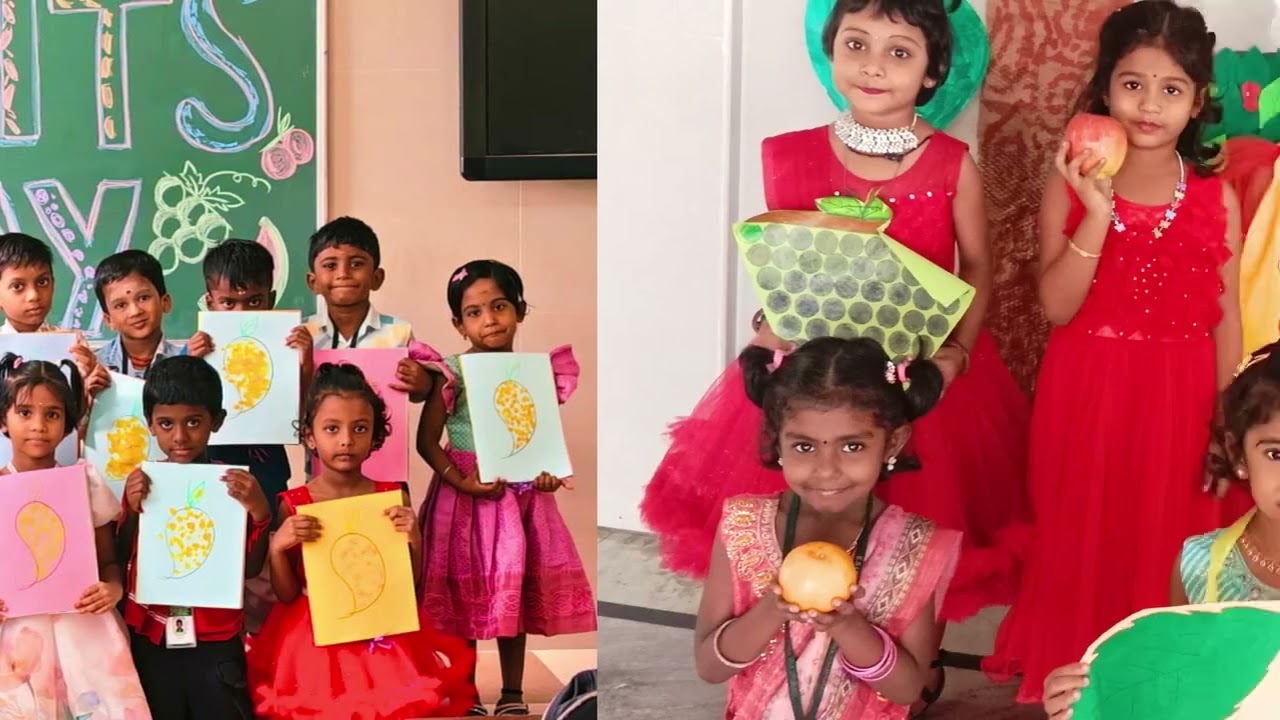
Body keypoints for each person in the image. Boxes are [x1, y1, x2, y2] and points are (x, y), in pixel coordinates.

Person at [644, 0, 1030, 708]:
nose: (874, 65)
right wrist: (771, 321)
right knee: (814, 493)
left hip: (915, 382)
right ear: (831, 53)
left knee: (914, 527)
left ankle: (913, 661)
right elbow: (786, 262)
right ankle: (788, 640)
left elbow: (977, 264)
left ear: (933, 71)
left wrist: (957, 358)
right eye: (857, 43)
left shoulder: (950, 164)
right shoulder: (787, 154)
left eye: (899, 51)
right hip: (816, 380)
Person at [983, 1, 1253, 702]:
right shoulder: (1068, 184)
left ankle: (1161, 692)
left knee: (1168, 545)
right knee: (1085, 543)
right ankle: (1083, 696)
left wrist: (1228, 428)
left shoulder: (1215, 196)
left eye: (1172, 89)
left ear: (1198, 103)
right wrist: (1097, 213)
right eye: (1133, 84)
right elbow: (1057, 307)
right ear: (1105, 88)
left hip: (1183, 400)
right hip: (1088, 395)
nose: (1150, 105)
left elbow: (1227, 321)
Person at [694, 337, 960, 719]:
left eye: (852, 447)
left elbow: (907, 688)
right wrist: (773, 608)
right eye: (804, 447)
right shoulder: (742, 525)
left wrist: (849, 627)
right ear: (776, 441)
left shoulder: (914, 544)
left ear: (892, 443)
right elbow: (710, 666)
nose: (826, 470)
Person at [1042, 341, 1280, 719]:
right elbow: (1176, 693)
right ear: (1237, 454)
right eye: (1276, 454)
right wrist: (1090, 699)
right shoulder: (1198, 566)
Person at [413, 260, 596, 716]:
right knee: (465, 594)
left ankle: (512, 693)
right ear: (458, 323)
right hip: (463, 500)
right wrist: (461, 482)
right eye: (474, 313)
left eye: (499, 307)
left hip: (519, 499)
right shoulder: (450, 374)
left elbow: (537, 436)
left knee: (511, 590)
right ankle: (468, 692)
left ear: (519, 310)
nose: (489, 319)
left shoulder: (534, 373)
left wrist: (545, 475)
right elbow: (426, 441)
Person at [247, 362, 477, 719]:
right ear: (310, 436)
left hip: (381, 629)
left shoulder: (391, 496)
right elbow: (287, 594)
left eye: (359, 429)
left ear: (375, 437)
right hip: (313, 636)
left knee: (390, 707)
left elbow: (409, 585)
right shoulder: (294, 503)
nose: (345, 440)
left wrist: (414, 539)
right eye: (331, 428)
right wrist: (278, 549)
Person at [118, 355, 272, 718]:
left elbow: (248, 569)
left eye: (193, 422)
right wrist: (132, 508)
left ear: (215, 421)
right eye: (166, 424)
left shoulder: (234, 487)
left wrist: (261, 513)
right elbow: (123, 555)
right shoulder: (143, 483)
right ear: (150, 425)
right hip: (152, 635)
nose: (180, 436)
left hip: (215, 638)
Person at [0, 354, 150, 719]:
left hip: (85, 628)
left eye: (52, 414)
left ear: (68, 423)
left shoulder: (85, 481)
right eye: (24, 413)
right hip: (18, 635)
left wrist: (113, 589)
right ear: (3, 420)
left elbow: (109, 560)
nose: (38, 425)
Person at [89, 249, 213, 388]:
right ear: (108, 320)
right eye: (121, 305)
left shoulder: (187, 358)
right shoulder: (94, 366)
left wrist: (186, 367)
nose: (135, 312)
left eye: (143, 298)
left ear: (165, 302)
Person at [0, 232, 98, 380]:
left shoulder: (72, 343)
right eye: (18, 286)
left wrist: (89, 377)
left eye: (42, 282)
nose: (34, 296)